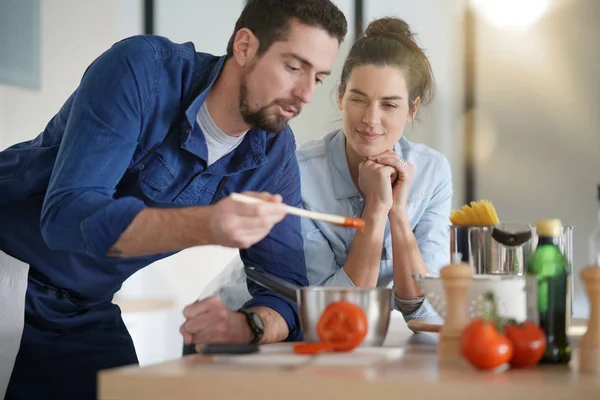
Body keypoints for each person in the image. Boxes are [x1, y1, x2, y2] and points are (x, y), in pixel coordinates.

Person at [0, 0, 347, 398]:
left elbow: (288, 292)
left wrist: (247, 326)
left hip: (85, 305)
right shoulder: (140, 69)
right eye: (294, 67)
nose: (304, 94)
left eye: (318, 78)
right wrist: (206, 224)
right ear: (245, 46)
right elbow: (66, 217)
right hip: (9, 267)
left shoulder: (274, 153)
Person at [182, 16, 452, 338]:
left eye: (389, 105)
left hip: (308, 340)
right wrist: (375, 210)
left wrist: (397, 212)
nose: (370, 119)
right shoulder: (298, 171)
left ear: (412, 109)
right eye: (358, 99)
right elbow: (327, 317)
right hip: (234, 327)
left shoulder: (431, 172)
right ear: (340, 96)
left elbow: (427, 313)